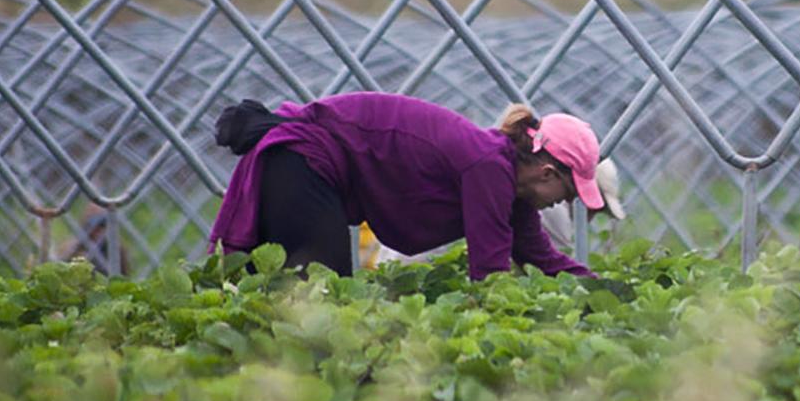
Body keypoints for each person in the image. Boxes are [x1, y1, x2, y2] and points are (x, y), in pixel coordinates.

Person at [209, 92, 604, 280]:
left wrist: (615, 292)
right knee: (323, 297)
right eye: (567, 196)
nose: (560, 205)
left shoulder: (508, 183)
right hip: (302, 163)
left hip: (304, 165)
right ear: (547, 173)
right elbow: (490, 276)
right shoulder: (488, 168)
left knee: (305, 299)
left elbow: (542, 260)